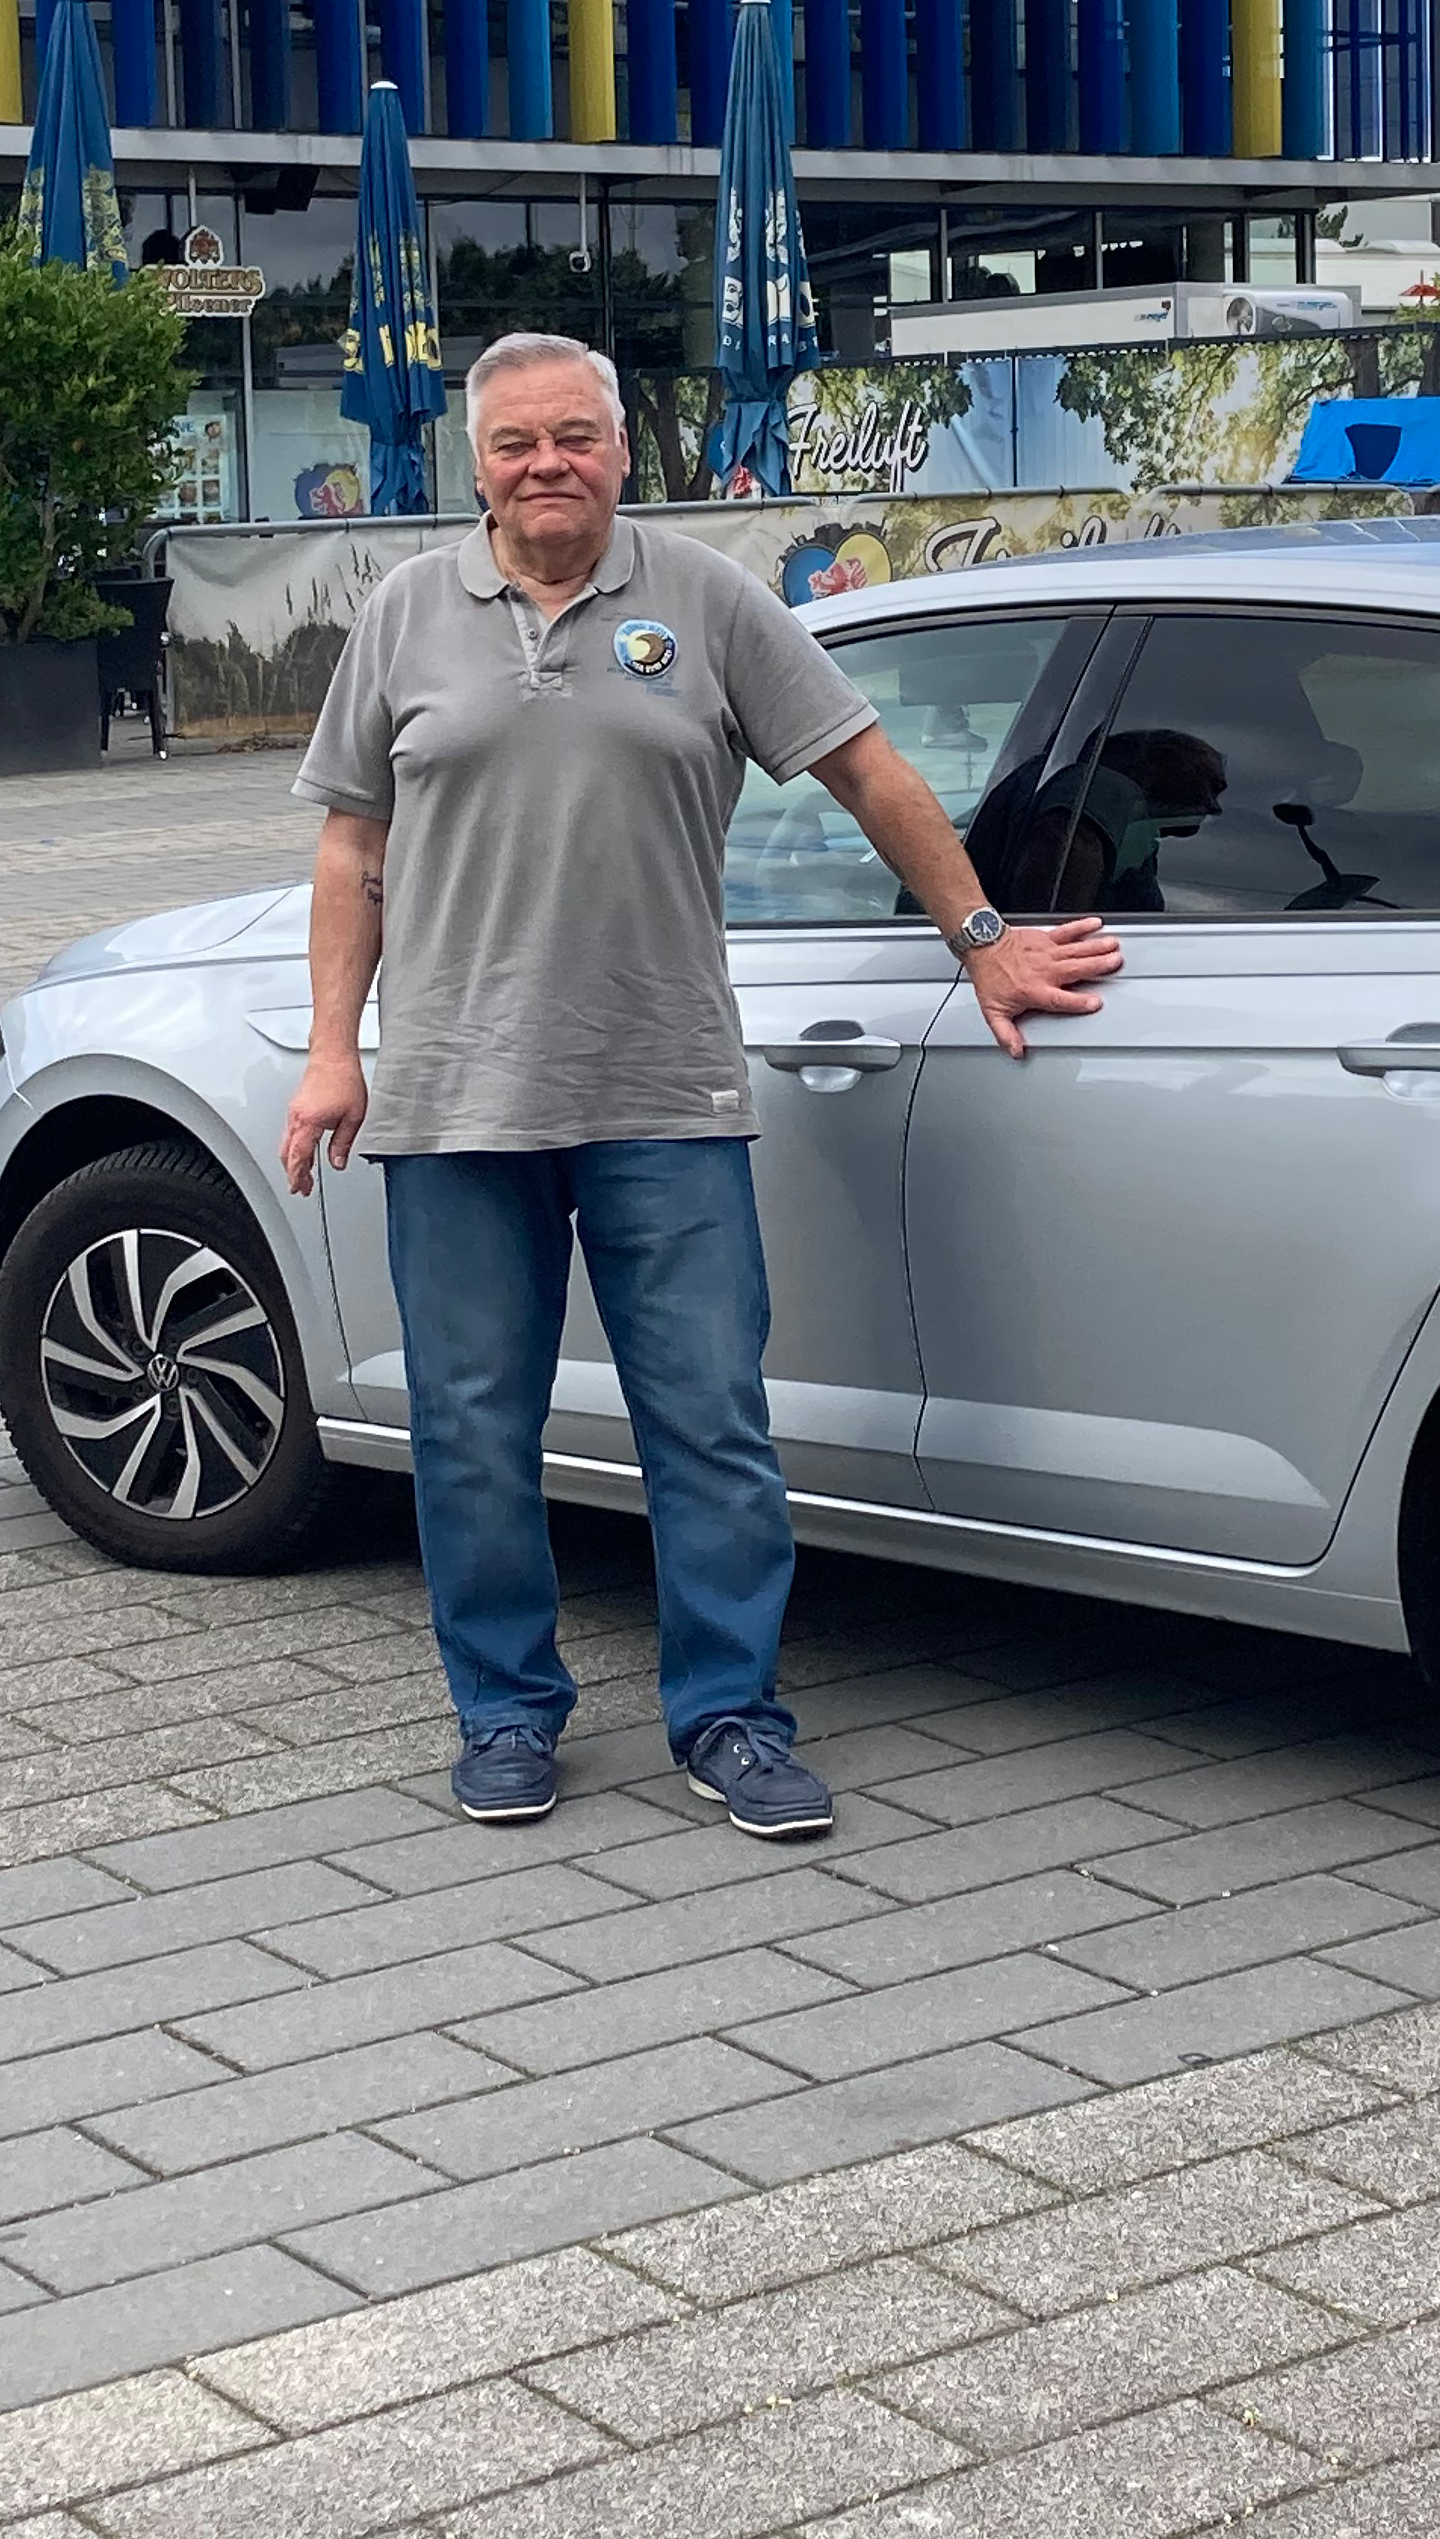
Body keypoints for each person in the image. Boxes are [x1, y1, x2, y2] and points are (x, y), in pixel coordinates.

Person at [280, 331, 1121, 1836]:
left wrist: (983, 939)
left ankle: (729, 1715)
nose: (548, 464)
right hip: (457, 1099)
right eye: (517, 441)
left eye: (576, 437)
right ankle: (506, 1712)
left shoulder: (710, 601)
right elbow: (352, 849)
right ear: (474, 462)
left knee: (710, 1421)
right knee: (473, 1427)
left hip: (666, 1089)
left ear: (621, 449)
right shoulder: (406, 614)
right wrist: (336, 1049)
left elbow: (870, 768)